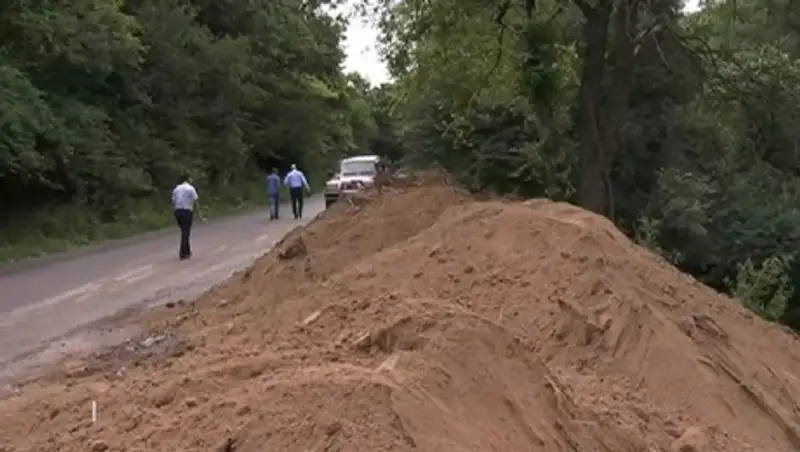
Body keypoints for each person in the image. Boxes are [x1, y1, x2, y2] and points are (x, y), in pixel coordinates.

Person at [170, 174, 200, 260]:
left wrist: (173, 213)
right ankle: (183, 253)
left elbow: (173, 201)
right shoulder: (190, 188)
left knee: (184, 230)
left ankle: (187, 250)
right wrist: (198, 214)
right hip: (187, 211)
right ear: (188, 179)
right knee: (186, 232)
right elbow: (196, 201)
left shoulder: (176, 189)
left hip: (178, 211)